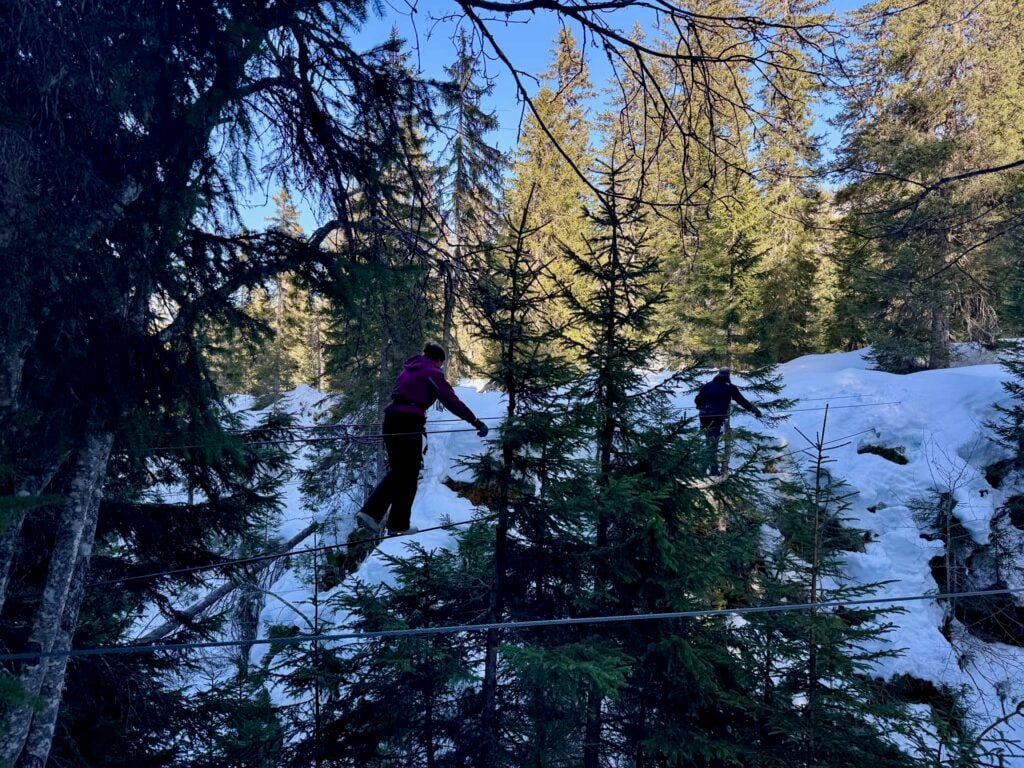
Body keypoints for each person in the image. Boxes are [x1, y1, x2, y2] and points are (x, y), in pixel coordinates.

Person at [356, 342, 488, 536]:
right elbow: (451, 401)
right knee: (406, 472)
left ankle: (396, 524)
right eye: (441, 364)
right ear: (438, 360)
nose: (441, 368)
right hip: (408, 423)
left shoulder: (409, 370)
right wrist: (475, 421)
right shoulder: (431, 372)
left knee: (403, 473)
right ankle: (372, 514)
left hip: (391, 420)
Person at [694, 367, 762, 476]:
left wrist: (700, 407)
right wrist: (755, 410)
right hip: (716, 417)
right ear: (728, 376)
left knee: (709, 441)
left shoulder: (708, 385)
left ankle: (708, 469)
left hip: (704, 416)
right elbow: (742, 401)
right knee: (712, 444)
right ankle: (709, 471)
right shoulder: (730, 388)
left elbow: (697, 399)